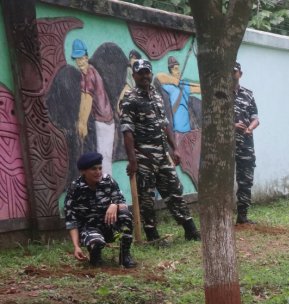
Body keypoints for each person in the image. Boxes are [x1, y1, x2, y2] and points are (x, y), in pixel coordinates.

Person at [120, 59, 200, 242]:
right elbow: (127, 131)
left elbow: (165, 125)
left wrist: (175, 149)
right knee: (146, 199)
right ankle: (152, 236)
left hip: (163, 155)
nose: (145, 76)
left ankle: (190, 229)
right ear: (134, 76)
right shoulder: (130, 99)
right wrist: (132, 160)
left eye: (147, 72)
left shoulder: (156, 96)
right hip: (144, 157)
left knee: (175, 190)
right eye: (140, 73)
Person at [64, 152, 136, 269]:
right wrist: (76, 246)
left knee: (125, 214)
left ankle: (125, 256)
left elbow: (122, 203)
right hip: (90, 229)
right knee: (96, 242)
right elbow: (71, 220)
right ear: (83, 171)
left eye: (100, 168)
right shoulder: (75, 188)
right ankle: (95, 255)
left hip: (110, 227)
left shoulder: (108, 181)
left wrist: (114, 205)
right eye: (93, 169)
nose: (98, 172)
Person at [71, 39, 115, 176]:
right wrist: (80, 121)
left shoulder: (89, 73)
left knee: (104, 157)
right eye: (76, 59)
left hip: (104, 120)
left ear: (86, 57)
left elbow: (88, 100)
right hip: (100, 119)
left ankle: (106, 187)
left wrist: (82, 123)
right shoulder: (84, 75)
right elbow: (84, 99)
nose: (79, 62)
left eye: (81, 58)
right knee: (100, 156)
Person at [232, 62, 259, 224]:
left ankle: (242, 216)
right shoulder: (220, 94)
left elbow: (256, 118)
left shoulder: (248, 94)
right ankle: (221, 216)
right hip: (226, 144)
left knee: (246, 179)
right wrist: (232, 125)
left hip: (246, 143)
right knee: (223, 180)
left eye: (233, 72)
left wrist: (250, 128)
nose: (230, 75)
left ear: (240, 74)